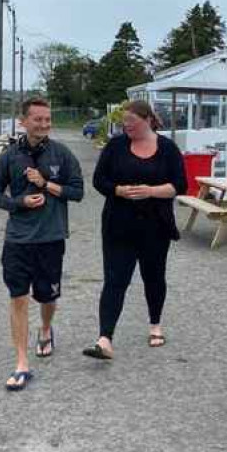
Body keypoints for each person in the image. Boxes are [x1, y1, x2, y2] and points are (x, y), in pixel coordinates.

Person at [0, 97, 84, 390]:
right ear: (23, 121)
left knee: (46, 297)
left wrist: (46, 185)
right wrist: (19, 202)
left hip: (51, 238)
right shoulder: (9, 156)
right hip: (17, 240)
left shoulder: (62, 154)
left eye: (47, 119)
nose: (44, 124)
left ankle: (45, 329)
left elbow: (77, 192)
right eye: (37, 119)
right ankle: (21, 363)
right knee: (18, 297)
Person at [82, 100, 187, 360]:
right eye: (124, 123)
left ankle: (155, 325)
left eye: (132, 122)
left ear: (148, 120)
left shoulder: (168, 149)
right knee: (115, 280)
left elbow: (180, 185)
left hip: (156, 227)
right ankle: (105, 338)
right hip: (118, 225)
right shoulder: (115, 146)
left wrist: (151, 191)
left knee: (154, 277)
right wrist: (118, 190)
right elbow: (99, 180)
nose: (126, 127)